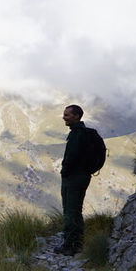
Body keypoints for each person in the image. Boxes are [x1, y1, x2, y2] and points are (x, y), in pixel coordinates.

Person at [56, 104, 90, 255]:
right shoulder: (81, 133)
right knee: (75, 210)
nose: (64, 117)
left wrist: (65, 171)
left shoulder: (77, 135)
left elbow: (72, 157)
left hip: (74, 178)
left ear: (76, 116)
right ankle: (78, 242)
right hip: (81, 176)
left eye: (67, 115)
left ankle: (71, 246)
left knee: (70, 211)